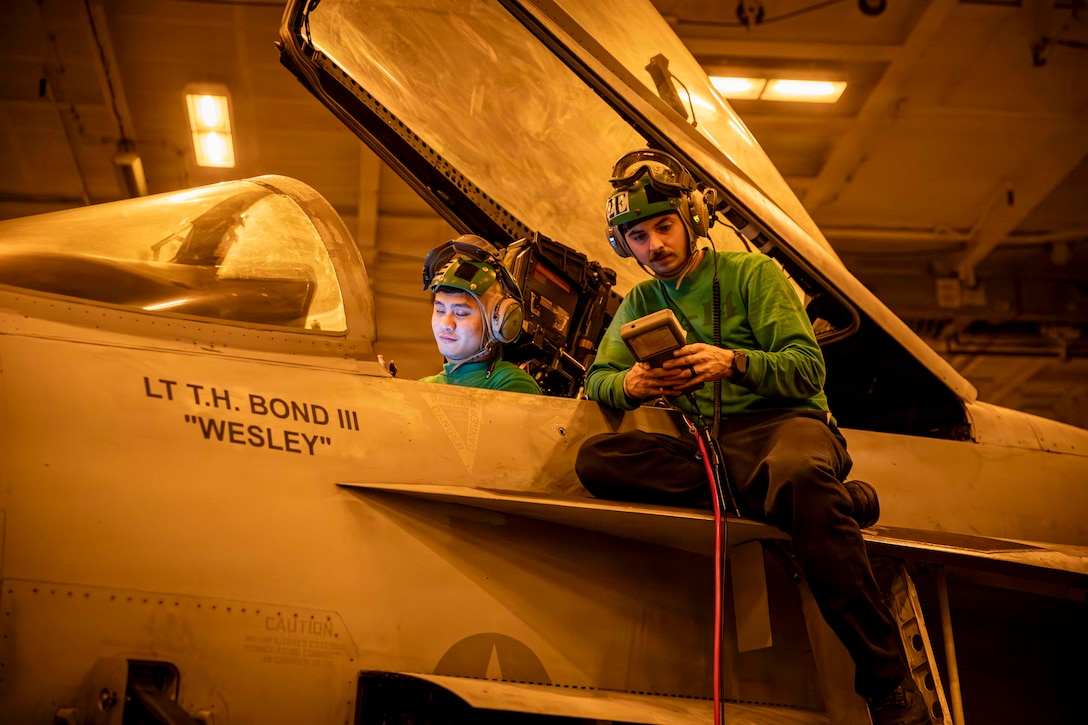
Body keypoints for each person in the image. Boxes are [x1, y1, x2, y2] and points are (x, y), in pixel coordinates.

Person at [574, 149, 929, 725]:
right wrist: (633, 383)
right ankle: (828, 505)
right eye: (637, 236)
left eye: (664, 226)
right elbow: (598, 380)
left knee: (795, 473)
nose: (655, 245)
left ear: (692, 219)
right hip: (708, 445)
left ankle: (887, 681)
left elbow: (807, 371)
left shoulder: (752, 275)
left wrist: (732, 362)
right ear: (624, 246)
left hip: (787, 427)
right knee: (599, 461)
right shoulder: (641, 301)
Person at [379, 234, 541, 395]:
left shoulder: (514, 384)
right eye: (440, 310)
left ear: (498, 321)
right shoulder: (425, 386)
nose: (446, 324)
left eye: (461, 313)